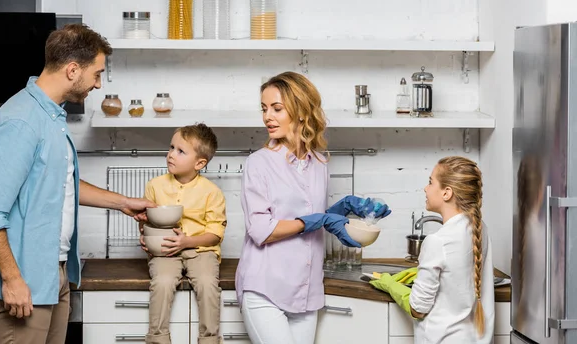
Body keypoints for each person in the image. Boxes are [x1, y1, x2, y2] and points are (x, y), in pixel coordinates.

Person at [0, 23, 156, 344]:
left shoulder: (51, 118)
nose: (99, 85)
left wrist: (124, 203)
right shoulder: (21, 120)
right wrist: (12, 278)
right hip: (25, 280)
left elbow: (60, 184)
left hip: (53, 273)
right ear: (73, 70)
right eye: (97, 74)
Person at [235, 71, 388, 344]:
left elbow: (311, 212)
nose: (267, 116)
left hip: (306, 292)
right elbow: (261, 230)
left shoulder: (319, 163)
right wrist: (318, 220)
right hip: (265, 289)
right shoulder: (259, 163)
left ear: (302, 112)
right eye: (264, 108)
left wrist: (344, 209)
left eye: (277, 109)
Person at [371, 156, 495, 343]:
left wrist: (391, 285)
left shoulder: (437, 242)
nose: (425, 188)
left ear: (447, 193)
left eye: (430, 182)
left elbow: (418, 309)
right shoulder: (480, 228)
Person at [139, 123, 227, 344]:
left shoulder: (212, 192)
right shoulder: (154, 186)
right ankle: (157, 339)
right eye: (171, 147)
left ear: (199, 163)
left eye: (180, 151)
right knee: (163, 282)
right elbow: (146, 222)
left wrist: (187, 241)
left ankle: (209, 340)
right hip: (165, 251)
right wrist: (145, 236)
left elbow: (215, 234)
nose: (171, 155)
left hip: (201, 251)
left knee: (208, 284)